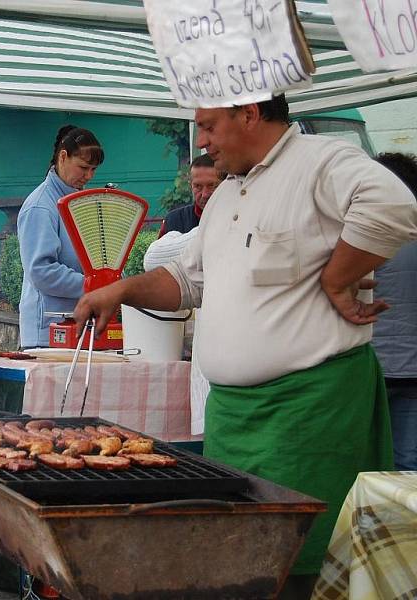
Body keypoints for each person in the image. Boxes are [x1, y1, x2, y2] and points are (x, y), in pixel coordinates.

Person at [72, 95, 417, 597]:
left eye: (209, 126)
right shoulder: (228, 195)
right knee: (236, 561)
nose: (203, 142)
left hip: (307, 412)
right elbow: (188, 281)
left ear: (249, 114)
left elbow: (395, 206)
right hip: (233, 418)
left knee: (300, 565)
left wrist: (338, 277)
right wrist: (121, 289)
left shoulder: (321, 160)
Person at [17, 125, 104, 348]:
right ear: (63, 157)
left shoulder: (78, 201)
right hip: (47, 332)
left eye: (94, 169)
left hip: (79, 323)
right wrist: (95, 285)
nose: (89, 176)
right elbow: (41, 271)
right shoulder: (40, 206)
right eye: (84, 167)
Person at [371, 152, 417, 471]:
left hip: (372, 368)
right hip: (413, 370)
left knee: (370, 459)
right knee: (408, 460)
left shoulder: (363, 239)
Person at [157, 154, 222, 237]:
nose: (204, 194)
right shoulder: (174, 220)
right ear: (190, 185)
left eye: (212, 186)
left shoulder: (239, 218)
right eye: (198, 186)